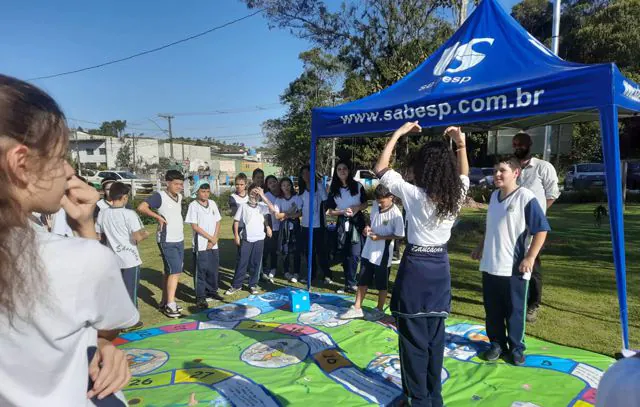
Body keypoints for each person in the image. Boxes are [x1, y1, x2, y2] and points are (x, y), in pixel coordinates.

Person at [0, 74, 137, 406]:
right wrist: (86, 229)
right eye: (60, 157)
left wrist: (100, 347)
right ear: (21, 163)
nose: (67, 172)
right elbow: (110, 327)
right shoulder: (79, 260)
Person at [374, 122, 469, 407]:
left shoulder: (415, 195)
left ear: (424, 168)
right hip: (440, 268)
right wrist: (461, 144)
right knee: (434, 339)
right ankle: (432, 398)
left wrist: (398, 134)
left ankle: (418, 400)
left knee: (413, 342)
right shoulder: (457, 195)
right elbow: (464, 174)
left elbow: (380, 168)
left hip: (416, 267)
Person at [471, 156, 550, 366]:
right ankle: (497, 344)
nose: (497, 174)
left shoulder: (525, 197)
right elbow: (491, 226)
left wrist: (530, 257)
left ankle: (516, 348)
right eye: (496, 170)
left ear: (516, 173)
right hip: (490, 265)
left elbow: (541, 229)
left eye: (502, 170)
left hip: (514, 268)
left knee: (515, 311)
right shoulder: (494, 197)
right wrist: (481, 246)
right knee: (493, 310)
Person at [512, 132, 560, 323]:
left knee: (533, 264)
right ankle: (516, 298)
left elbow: (553, 194)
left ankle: (534, 304)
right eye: (515, 144)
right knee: (513, 263)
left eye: (521, 144)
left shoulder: (542, 167)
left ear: (530, 145)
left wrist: (537, 215)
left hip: (533, 228)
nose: (517, 147)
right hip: (512, 225)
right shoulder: (511, 167)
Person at [339, 184, 404, 321]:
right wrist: (367, 228)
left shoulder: (396, 214)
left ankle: (379, 309)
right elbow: (373, 221)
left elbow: (399, 235)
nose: (379, 204)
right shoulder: (375, 205)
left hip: (383, 253)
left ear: (391, 197)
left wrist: (380, 237)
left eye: (382, 201)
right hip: (368, 249)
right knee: (363, 278)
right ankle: (357, 308)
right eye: (377, 201)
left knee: (381, 283)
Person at [96, 182, 149, 330]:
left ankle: (118, 318)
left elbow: (98, 235)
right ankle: (130, 321)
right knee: (130, 290)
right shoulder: (129, 214)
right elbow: (136, 237)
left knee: (118, 290)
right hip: (130, 258)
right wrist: (145, 233)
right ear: (125, 197)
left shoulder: (103, 213)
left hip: (113, 258)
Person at [137, 169, 185, 318]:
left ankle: (165, 301)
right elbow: (141, 207)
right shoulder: (160, 196)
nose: (179, 187)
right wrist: (158, 217)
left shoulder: (180, 197)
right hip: (167, 239)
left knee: (169, 271)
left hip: (179, 238)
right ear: (168, 183)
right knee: (176, 270)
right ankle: (171, 304)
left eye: (181, 184)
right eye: (176, 184)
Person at [326, 161, 368, 294]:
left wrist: (357, 208)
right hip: (342, 224)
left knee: (355, 253)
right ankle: (349, 283)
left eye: (344, 168)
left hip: (357, 223)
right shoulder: (334, 189)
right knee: (344, 253)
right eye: (339, 169)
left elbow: (366, 203)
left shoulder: (357, 186)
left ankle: (354, 281)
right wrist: (342, 212)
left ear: (349, 171)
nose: (342, 171)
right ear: (336, 172)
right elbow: (329, 211)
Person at [226, 185, 277, 295]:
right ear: (249, 193)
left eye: (257, 192)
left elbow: (272, 210)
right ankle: (236, 285)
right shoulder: (243, 206)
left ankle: (253, 285)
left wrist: (262, 195)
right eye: (253, 192)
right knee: (242, 262)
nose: (255, 194)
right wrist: (236, 236)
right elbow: (236, 221)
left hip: (259, 239)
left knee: (256, 263)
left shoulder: (261, 206)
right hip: (247, 239)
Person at [185, 182, 223, 310]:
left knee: (213, 268)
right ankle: (200, 296)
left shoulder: (212, 204)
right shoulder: (193, 206)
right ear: (197, 192)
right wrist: (209, 238)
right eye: (203, 191)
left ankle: (212, 291)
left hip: (213, 243)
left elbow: (218, 221)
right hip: (201, 244)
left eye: (207, 191)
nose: (205, 194)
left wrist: (214, 238)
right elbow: (195, 226)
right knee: (201, 270)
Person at [298, 165, 333, 285]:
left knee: (321, 251)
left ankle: (327, 274)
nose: (306, 175)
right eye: (304, 173)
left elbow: (325, 201)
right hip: (306, 225)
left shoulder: (318, 186)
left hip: (318, 225)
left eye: (308, 172)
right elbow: (298, 207)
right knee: (309, 252)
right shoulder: (301, 190)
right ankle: (311, 275)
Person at [275, 177, 303, 283]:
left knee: (296, 250)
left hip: (294, 227)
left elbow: (300, 213)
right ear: (281, 187)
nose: (286, 187)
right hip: (284, 228)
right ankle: (286, 272)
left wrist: (286, 215)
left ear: (291, 186)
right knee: (285, 250)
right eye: (283, 185)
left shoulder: (297, 198)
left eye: (288, 185)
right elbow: (277, 216)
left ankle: (296, 272)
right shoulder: (279, 199)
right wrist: (289, 214)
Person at [262, 175, 281, 280]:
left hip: (280, 226)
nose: (273, 184)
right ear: (267, 186)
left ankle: (273, 268)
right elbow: (264, 213)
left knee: (275, 249)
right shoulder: (266, 195)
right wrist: (267, 226)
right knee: (267, 248)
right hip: (269, 225)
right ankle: (264, 268)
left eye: (274, 181)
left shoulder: (281, 194)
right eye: (270, 183)